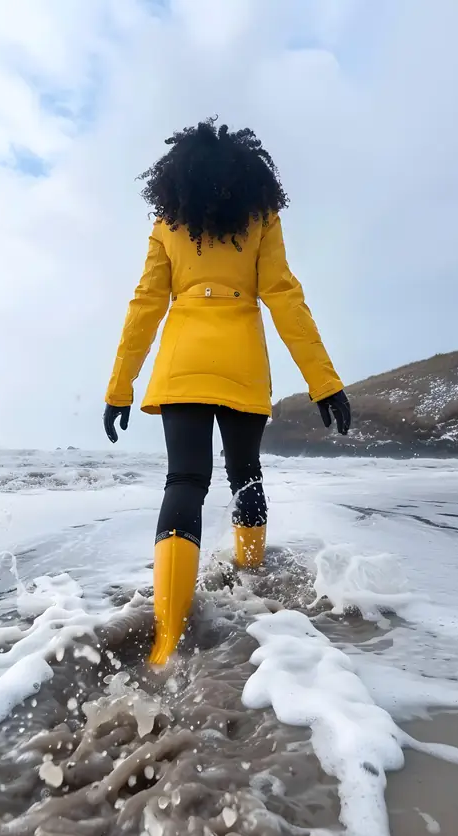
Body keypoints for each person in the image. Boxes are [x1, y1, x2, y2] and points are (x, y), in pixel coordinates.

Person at [103, 118, 351, 666]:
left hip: (183, 363)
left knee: (185, 481)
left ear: (176, 176)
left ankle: (167, 639)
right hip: (241, 362)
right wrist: (323, 381)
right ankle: (251, 578)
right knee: (246, 476)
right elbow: (285, 297)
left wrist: (119, 387)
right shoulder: (261, 217)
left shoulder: (170, 222)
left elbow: (145, 303)